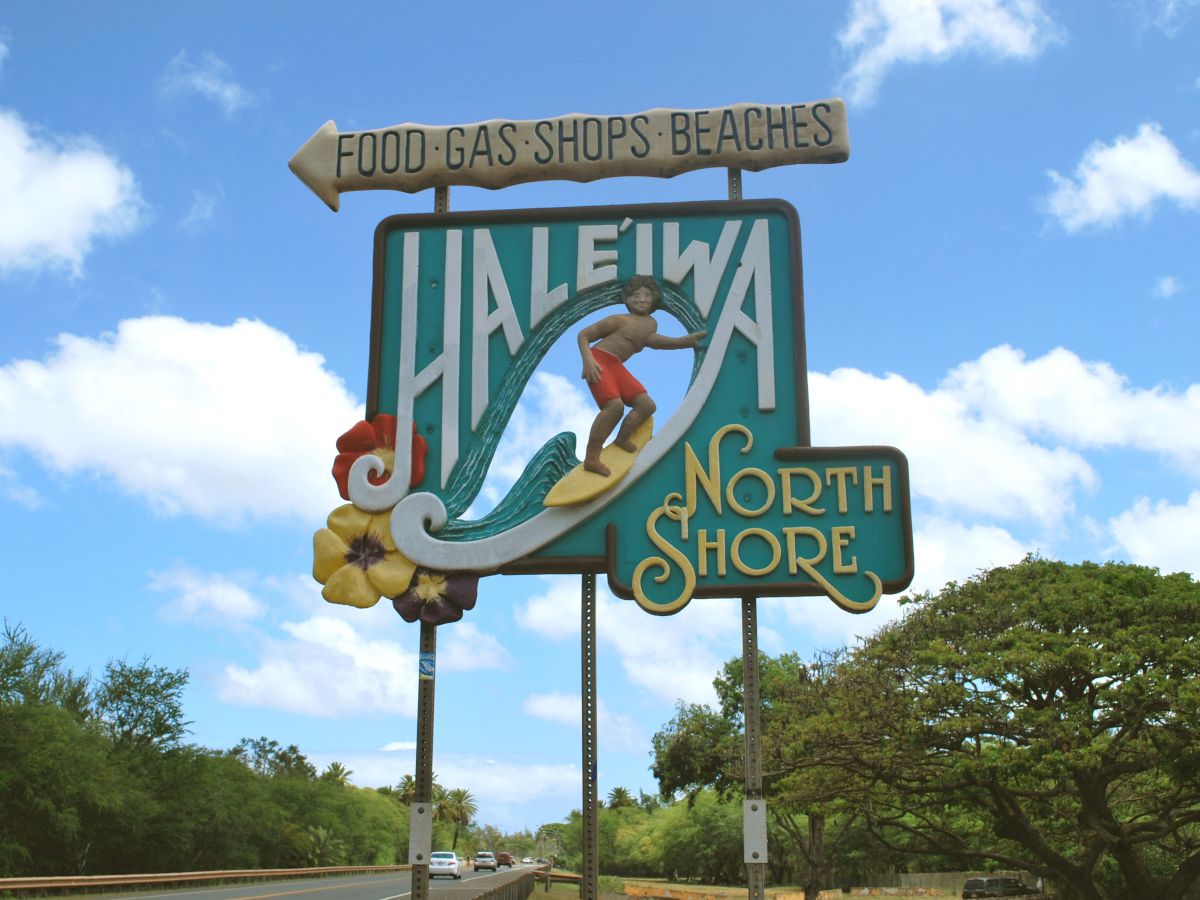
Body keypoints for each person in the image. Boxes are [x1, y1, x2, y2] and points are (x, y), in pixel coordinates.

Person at [577, 275, 705, 476]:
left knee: (647, 405)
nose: (641, 299)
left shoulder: (650, 324)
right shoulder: (619, 320)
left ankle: (622, 438)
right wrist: (588, 361)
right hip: (599, 361)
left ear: (654, 299)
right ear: (627, 299)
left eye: (646, 295)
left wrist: (684, 341)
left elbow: (653, 341)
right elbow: (584, 335)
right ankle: (592, 458)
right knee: (615, 407)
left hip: (616, 366)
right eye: (636, 295)